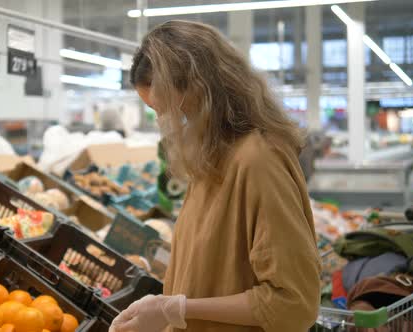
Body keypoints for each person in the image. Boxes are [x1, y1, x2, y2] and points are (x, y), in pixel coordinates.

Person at [109, 21, 321, 332]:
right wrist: (163, 306)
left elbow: (292, 302)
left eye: (167, 108)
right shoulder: (210, 157)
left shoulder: (257, 160)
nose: (164, 123)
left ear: (202, 92)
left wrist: (178, 309)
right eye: (156, 112)